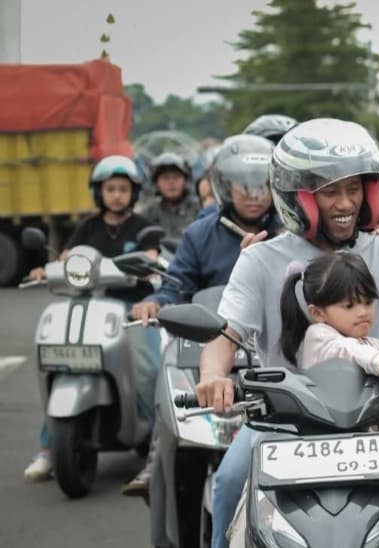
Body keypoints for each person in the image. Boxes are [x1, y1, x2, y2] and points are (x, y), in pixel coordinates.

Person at [191, 118, 379, 548]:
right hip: (282, 422)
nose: (346, 202)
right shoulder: (259, 259)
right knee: (228, 483)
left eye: (355, 188)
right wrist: (212, 377)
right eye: (330, 190)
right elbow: (225, 334)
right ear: (295, 197)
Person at [122, 134, 281, 501]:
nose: (255, 194)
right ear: (224, 186)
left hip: (272, 353)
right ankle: (155, 459)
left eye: (263, 185)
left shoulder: (290, 231)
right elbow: (176, 284)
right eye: (244, 186)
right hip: (205, 352)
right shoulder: (200, 234)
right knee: (172, 408)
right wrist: (156, 302)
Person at [260, 252, 379, 547]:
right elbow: (351, 353)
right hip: (316, 465)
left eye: (368, 302)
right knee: (254, 501)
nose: (363, 312)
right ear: (318, 313)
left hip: (374, 471)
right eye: (349, 305)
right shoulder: (320, 337)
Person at [24, 156, 161, 483]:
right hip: (89, 306)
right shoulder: (87, 226)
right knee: (63, 362)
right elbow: (70, 258)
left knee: (149, 370)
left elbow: (152, 257)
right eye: (110, 189)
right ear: (99, 192)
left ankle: (154, 441)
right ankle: (47, 446)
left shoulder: (142, 227)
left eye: (123, 189)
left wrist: (148, 263)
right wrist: (49, 268)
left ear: (133, 192)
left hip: (132, 310)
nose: (116, 195)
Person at [136, 152, 201, 238]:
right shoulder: (148, 214)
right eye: (165, 178)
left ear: (185, 180)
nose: (171, 182)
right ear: (156, 183)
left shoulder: (199, 210)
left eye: (176, 177)